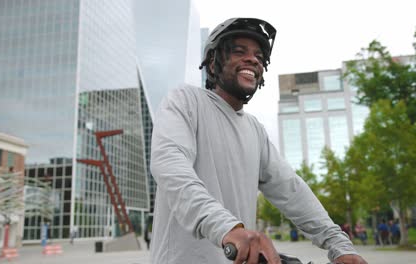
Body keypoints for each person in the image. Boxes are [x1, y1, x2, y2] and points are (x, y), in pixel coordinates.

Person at [150, 17, 367, 264]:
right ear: (212, 63)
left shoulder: (254, 129)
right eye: (239, 51)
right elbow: (169, 165)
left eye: (259, 57)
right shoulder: (185, 101)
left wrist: (339, 244)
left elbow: (291, 190)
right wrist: (226, 227)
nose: (253, 59)